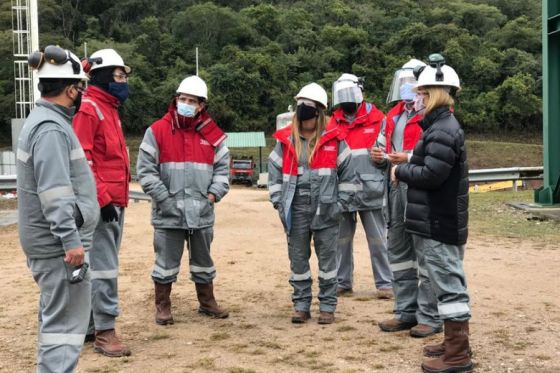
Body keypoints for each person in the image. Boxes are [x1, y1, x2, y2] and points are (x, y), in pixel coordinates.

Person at [17, 45, 99, 372]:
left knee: (55, 324)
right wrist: (71, 241)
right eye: (80, 87)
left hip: (51, 246)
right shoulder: (51, 129)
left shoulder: (45, 120)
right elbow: (55, 193)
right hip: (58, 249)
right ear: (69, 89)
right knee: (64, 331)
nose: (81, 94)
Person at [391, 54, 473, 373]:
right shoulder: (439, 126)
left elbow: (432, 175)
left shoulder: (442, 129)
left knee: (450, 285)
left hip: (440, 219)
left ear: (435, 94)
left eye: (421, 93)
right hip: (439, 218)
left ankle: (457, 354)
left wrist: (402, 170)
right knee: (444, 281)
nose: (416, 98)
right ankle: (453, 343)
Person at [137, 75, 230, 325]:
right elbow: (145, 171)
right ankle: (163, 306)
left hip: (202, 211)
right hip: (168, 212)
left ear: (202, 105)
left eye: (192, 100)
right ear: (175, 100)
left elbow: (223, 170)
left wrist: (212, 195)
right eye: (182, 99)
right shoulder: (157, 131)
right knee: (165, 263)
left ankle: (207, 302)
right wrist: (164, 200)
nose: (185, 103)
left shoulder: (213, 135)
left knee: (203, 261)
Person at [268, 83, 352, 324]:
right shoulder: (285, 140)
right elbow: (274, 174)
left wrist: (340, 205)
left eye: (308, 107)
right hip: (295, 209)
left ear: (319, 112)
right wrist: (278, 201)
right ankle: (301, 305)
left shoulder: (335, 140)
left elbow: (348, 177)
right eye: (300, 106)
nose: (303, 111)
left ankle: (327, 306)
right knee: (298, 260)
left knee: (328, 261)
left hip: (327, 209)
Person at [374, 59, 444, 338]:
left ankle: (429, 316)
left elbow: (435, 156)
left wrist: (407, 159)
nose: (408, 90)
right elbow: (382, 147)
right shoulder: (392, 116)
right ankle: (406, 311)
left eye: (413, 86)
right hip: (395, 189)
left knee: (426, 253)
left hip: (420, 191)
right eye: (403, 84)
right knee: (399, 252)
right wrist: (379, 157)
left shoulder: (434, 116)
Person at [73, 48, 132, 357]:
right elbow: (83, 161)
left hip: (113, 201)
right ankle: (105, 332)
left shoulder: (109, 109)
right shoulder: (89, 108)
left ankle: (90, 326)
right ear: (103, 76)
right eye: (119, 75)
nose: (123, 81)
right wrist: (103, 199)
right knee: (104, 268)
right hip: (101, 204)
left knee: (99, 266)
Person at [327, 73, 393, 299]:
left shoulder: (378, 119)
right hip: (343, 193)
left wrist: (383, 158)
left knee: (378, 240)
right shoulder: (332, 122)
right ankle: (342, 282)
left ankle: (385, 283)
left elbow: (389, 153)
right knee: (341, 241)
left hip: (371, 190)